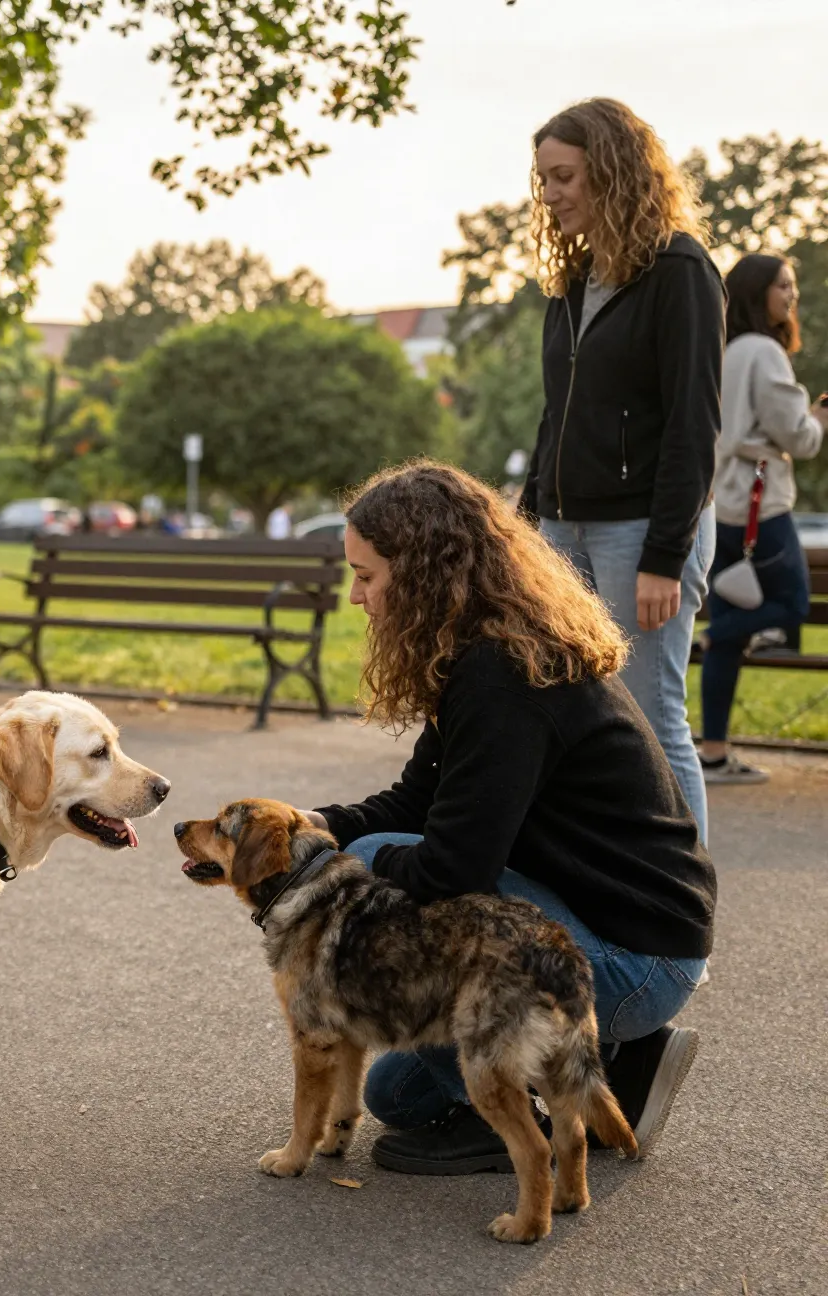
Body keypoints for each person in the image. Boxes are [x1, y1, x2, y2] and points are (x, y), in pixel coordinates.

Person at [311, 462, 714, 1175]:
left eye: (368, 576)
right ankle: (618, 1062)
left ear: (426, 572)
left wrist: (349, 859)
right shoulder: (481, 653)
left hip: (637, 958)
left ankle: (510, 1115)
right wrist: (309, 824)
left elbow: (451, 868)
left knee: (374, 872)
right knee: (395, 1097)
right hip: (603, 930)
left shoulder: (504, 677)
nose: (356, 596)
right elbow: (416, 804)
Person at [521, 99, 723, 841]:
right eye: (544, 179)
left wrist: (665, 556)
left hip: (642, 535)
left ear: (612, 171)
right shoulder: (574, 284)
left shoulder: (680, 271)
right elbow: (556, 417)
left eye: (565, 176)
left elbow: (693, 426)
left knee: (651, 720)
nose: (552, 194)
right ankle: (608, 901)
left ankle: (681, 926)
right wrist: (525, 530)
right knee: (568, 721)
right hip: (564, 532)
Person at [698, 254, 826, 784]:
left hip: (720, 508)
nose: (791, 296)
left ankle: (713, 752)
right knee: (792, 603)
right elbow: (799, 438)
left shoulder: (720, 348)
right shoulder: (765, 354)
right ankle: (704, 637)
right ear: (758, 293)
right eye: (783, 286)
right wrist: (818, 421)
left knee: (730, 639)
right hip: (761, 507)